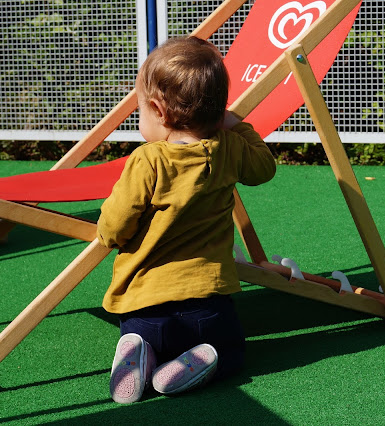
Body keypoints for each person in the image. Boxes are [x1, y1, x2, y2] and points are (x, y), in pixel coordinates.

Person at [96, 36, 276, 404]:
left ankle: (138, 349)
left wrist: (109, 233)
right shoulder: (230, 148)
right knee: (232, 350)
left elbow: (116, 224)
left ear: (159, 112)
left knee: (142, 332)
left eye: (140, 110)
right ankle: (202, 359)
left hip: (143, 306)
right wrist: (236, 124)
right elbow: (264, 167)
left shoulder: (149, 161)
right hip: (207, 306)